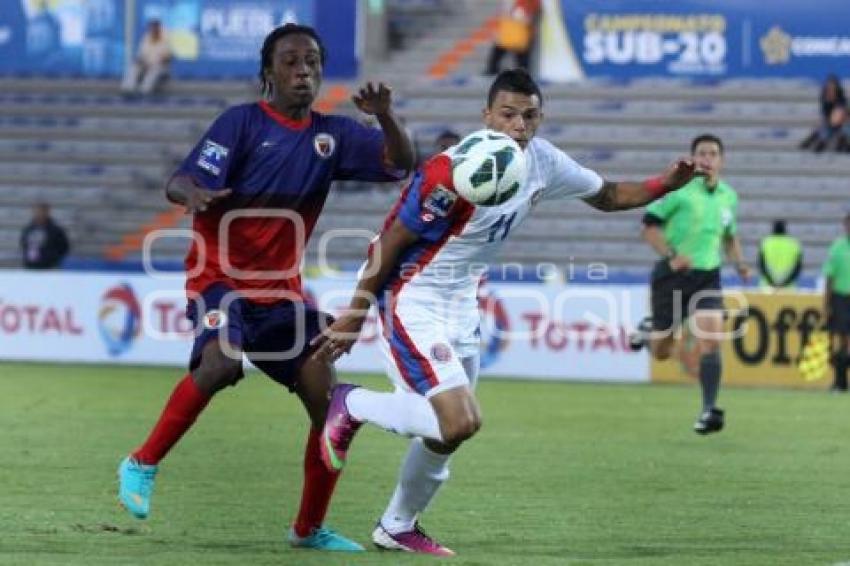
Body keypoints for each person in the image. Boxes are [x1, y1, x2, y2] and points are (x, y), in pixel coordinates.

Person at [310, 69, 699, 556]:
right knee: (458, 422)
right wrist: (355, 312)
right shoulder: (447, 172)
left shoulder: (542, 161)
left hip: (463, 304)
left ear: (541, 118)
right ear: (487, 115)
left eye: (530, 116)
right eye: (509, 114)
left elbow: (609, 195)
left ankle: (397, 525)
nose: (519, 125)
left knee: (447, 435)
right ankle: (353, 404)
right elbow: (389, 242)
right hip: (414, 299)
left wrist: (668, 182)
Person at [116, 23, 414, 552]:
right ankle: (141, 462)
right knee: (221, 365)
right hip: (220, 281)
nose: (304, 71)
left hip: (282, 296)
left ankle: (308, 529)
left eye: (313, 62)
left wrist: (386, 115)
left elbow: (402, 162)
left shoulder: (334, 136)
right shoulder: (241, 124)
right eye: (292, 62)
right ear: (268, 73)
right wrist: (194, 195)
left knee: (328, 401)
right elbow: (180, 180)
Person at [630, 134, 751, 435]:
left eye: (713, 153)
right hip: (672, 277)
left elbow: (729, 235)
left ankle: (708, 409)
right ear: (694, 159)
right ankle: (648, 333)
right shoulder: (679, 191)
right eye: (702, 153)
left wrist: (739, 262)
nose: (708, 159)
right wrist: (671, 254)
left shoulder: (729, 196)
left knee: (711, 340)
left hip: (707, 276)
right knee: (661, 351)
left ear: (721, 160)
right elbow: (648, 226)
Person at [823, 210, 850, 391]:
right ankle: (840, 382)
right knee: (841, 340)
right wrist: (826, 304)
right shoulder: (837, 248)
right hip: (840, 298)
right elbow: (829, 278)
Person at [485, 0, 541, 75]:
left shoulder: (527, 4)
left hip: (520, 33)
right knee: (499, 52)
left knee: (521, 57)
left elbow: (530, 13)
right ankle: (492, 70)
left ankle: (522, 75)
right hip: (511, 33)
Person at [121, 19, 172, 95]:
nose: (153, 30)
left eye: (155, 28)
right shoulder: (146, 38)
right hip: (146, 64)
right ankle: (128, 88)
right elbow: (141, 55)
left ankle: (144, 91)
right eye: (151, 28)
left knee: (154, 69)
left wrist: (153, 63)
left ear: (159, 28)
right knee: (134, 67)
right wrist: (142, 62)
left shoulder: (166, 38)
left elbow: (167, 57)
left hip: (159, 65)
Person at [800, 75, 849, 152]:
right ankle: (815, 146)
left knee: (845, 129)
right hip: (830, 123)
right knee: (824, 131)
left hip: (841, 123)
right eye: (829, 88)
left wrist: (839, 120)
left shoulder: (842, 101)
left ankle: (843, 146)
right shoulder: (825, 101)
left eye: (833, 88)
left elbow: (843, 116)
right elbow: (827, 116)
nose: (831, 90)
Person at [20, 202, 70, 269]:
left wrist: (53, 257)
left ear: (47, 212)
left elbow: (64, 247)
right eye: (37, 211)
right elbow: (24, 244)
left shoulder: (56, 230)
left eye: (42, 211)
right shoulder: (28, 229)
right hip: (30, 266)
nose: (39, 214)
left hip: (49, 266)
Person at [758, 219, 802, 290]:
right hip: (788, 289)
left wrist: (772, 282)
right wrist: (784, 283)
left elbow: (762, 266)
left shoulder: (765, 243)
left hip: (767, 288)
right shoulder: (794, 244)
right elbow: (797, 268)